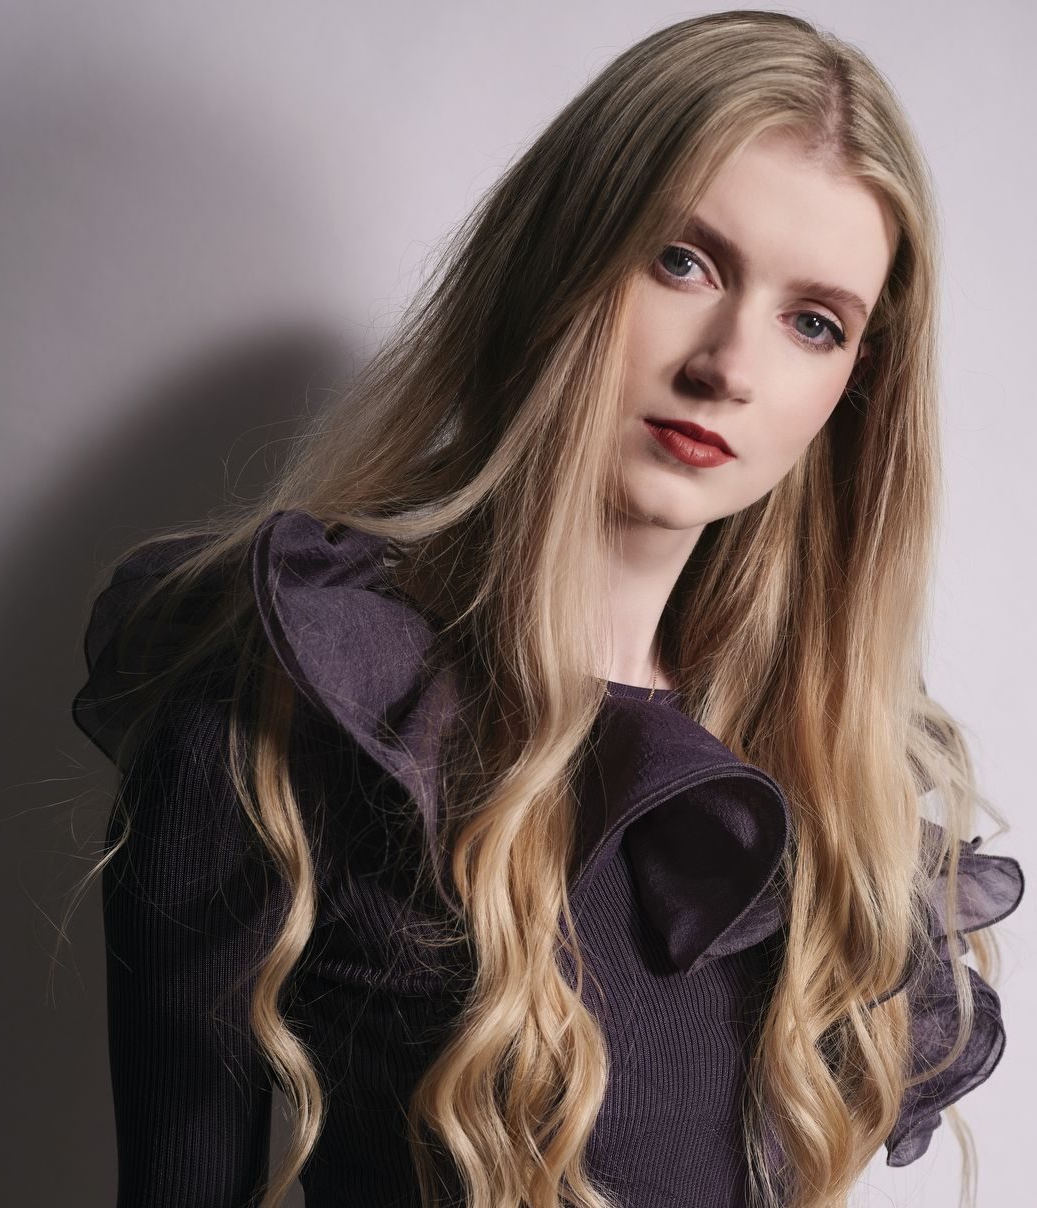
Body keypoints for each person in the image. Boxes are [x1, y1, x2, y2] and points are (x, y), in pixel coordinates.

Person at [71, 10, 1025, 1208]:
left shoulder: (830, 774)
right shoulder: (293, 702)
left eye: (811, 322)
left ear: (852, 387)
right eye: (683, 261)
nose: (728, 365)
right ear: (563, 253)